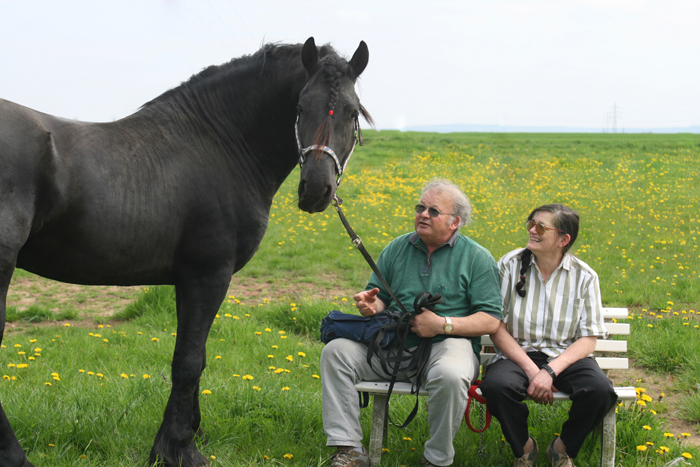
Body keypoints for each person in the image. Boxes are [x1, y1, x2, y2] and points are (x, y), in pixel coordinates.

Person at [320, 179, 502, 467]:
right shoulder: (396, 247)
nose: (423, 214)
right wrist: (371, 305)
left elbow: (490, 319)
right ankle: (349, 450)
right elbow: (379, 298)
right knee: (336, 352)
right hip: (395, 343)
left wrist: (442, 325)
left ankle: (437, 459)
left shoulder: (477, 258)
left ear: (455, 222)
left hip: (448, 345)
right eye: (420, 207)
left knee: (452, 374)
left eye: (433, 210)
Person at [479, 204, 618, 467]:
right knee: (496, 387)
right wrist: (533, 371)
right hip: (518, 353)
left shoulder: (585, 276)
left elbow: (588, 338)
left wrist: (550, 371)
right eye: (530, 223)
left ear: (563, 239)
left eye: (541, 227)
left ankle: (562, 449)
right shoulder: (509, 265)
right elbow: (496, 326)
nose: (532, 230)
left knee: (600, 391)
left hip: (566, 356)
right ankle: (525, 449)